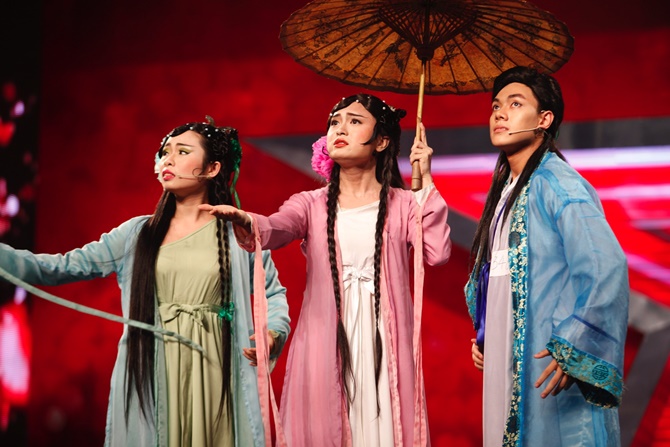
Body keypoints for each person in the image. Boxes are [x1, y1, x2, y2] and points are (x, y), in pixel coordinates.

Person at [0, 119, 291, 447]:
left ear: (212, 168)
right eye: (165, 152)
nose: (168, 159)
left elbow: (273, 292)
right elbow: (59, 267)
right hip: (152, 364)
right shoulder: (136, 234)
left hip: (217, 367)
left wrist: (273, 332)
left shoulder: (239, 233)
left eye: (182, 152)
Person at [200, 93, 452, 446]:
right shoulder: (310, 204)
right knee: (326, 424)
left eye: (354, 121)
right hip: (325, 336)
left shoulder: (404, 204)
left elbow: (437, 253)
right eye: (335, 122)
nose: (340, 129)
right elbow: (276, 227)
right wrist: (247, 220)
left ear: (381, 141)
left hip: (385, 341)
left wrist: (423, 182)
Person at [465, 66, 629, 446]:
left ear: (544, 119)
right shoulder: (506, 191)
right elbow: (499, 275)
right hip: (507, 355)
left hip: (545, 357)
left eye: (515, 104)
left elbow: (604, 265)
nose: (500, 114)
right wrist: (488, 333)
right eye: (496, 106)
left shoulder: (557, 182)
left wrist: (574, 344)